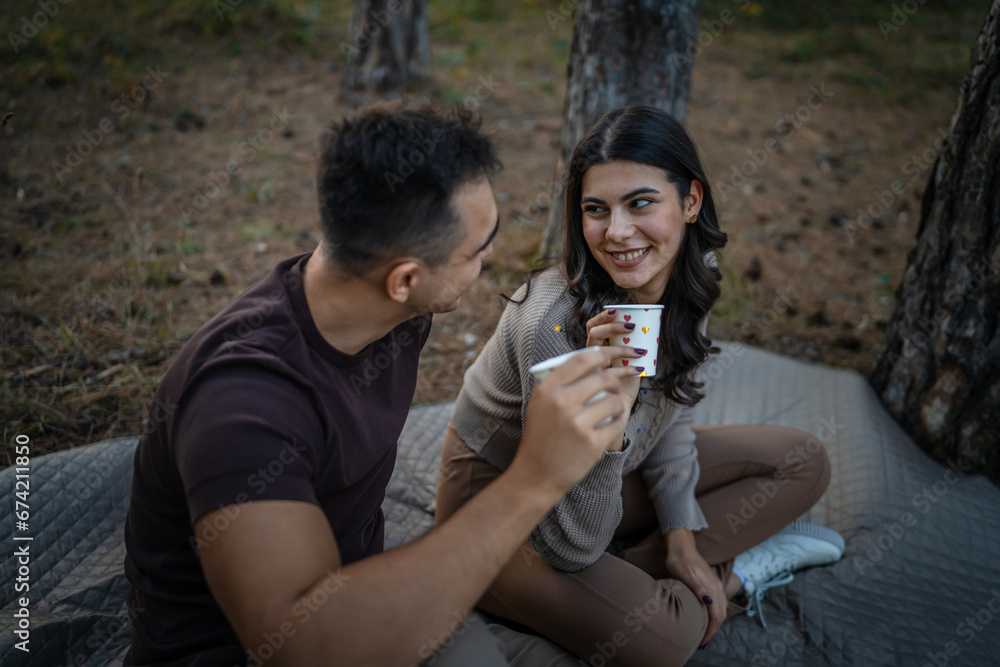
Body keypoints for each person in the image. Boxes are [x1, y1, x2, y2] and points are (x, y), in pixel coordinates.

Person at [121, 104, 643, 666]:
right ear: (404, 280)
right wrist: (534, 479)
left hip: (374, 594)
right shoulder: (242, 407)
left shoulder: (392, 310)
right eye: (478, 248)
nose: (491, 255)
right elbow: (301, 646)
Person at [435, 105, 844, 667]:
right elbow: (571, 545)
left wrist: (681, 539)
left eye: (641, 203)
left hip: (609, 481)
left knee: (804, 462)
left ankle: (655, 572)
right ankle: (732, 578)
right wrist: (611, 420)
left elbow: (668, 418)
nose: (617, 233)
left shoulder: (685, 279)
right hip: (502, 507)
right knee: (664, 640)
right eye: (596, 209)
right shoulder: (552, 328)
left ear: (691, 201)